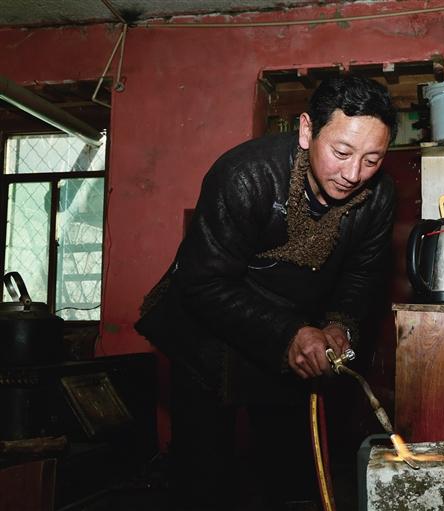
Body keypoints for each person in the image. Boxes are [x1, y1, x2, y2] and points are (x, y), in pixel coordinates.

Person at [134, 75, 398, 510]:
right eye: (341, 153)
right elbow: (203, 283)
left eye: (372, 159)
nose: (354, 174)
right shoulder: (245, 176)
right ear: (307, 130)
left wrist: (339, 325)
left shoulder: (379, 196)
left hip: (290, 333)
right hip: (206, 332)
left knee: (291, 473)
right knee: (205, 477)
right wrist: (288, 333)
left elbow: (362, 275)